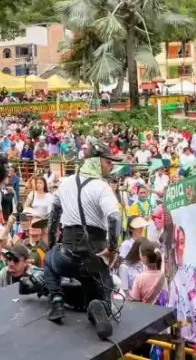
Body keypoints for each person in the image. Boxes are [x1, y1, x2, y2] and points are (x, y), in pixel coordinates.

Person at [42, 139, 123, 339]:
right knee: (104, 295)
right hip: (96, 259)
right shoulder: (102, 187)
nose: (111, 166)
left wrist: (52, 244)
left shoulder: (65, 183)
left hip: (67, 256)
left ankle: (56, 300)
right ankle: (99, 307)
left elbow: (53, 218)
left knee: (49, 259)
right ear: (96, 161)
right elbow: (115, 218)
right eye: (108, 162)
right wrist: (112, 249)